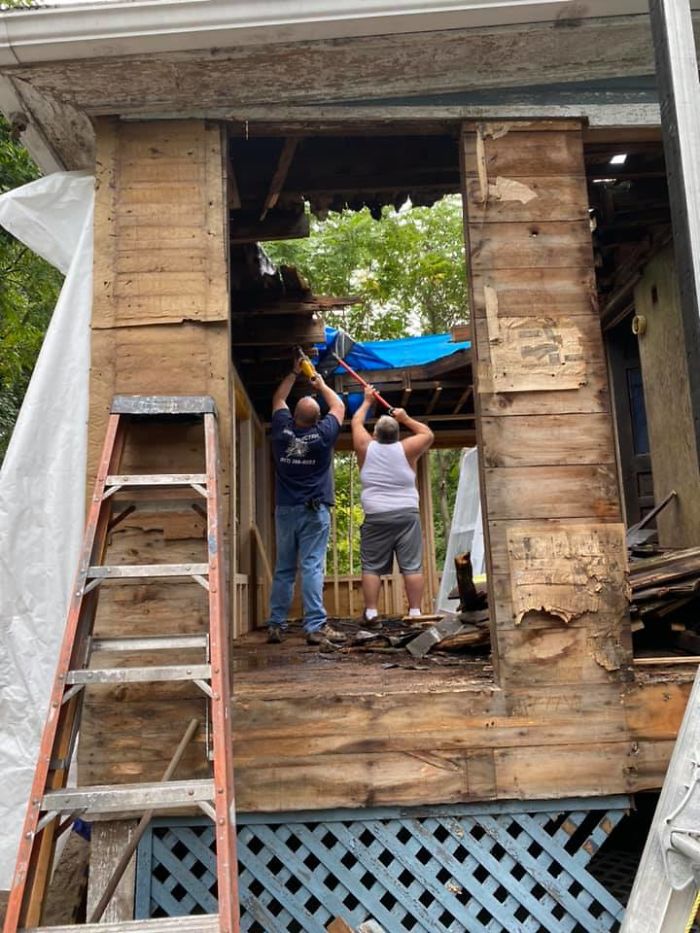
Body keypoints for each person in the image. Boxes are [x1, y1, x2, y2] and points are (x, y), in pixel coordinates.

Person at [266, 359, 346, 645]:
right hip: (314, 510)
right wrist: (321, 385)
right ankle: (314, 626)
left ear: (294, 416)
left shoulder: (281, 430)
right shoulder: (323, 435)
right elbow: (339, 407)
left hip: (285, 510)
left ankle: (276, 624)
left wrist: (293, 372)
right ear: (316, 419)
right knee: (312, 566)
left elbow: (278, 398)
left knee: (284, 568)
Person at [351, 386, 434, 624]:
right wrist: (405, 418)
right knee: (412, 566)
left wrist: (367, 401)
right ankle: (415, 612)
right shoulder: (407, 449)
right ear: (397, 435)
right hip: (407, 515)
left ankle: (371, 612)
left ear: (375, 434)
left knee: (372, 567)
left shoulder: (366, 448)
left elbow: (356, 423)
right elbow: (427, 434)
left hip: (376, 516)